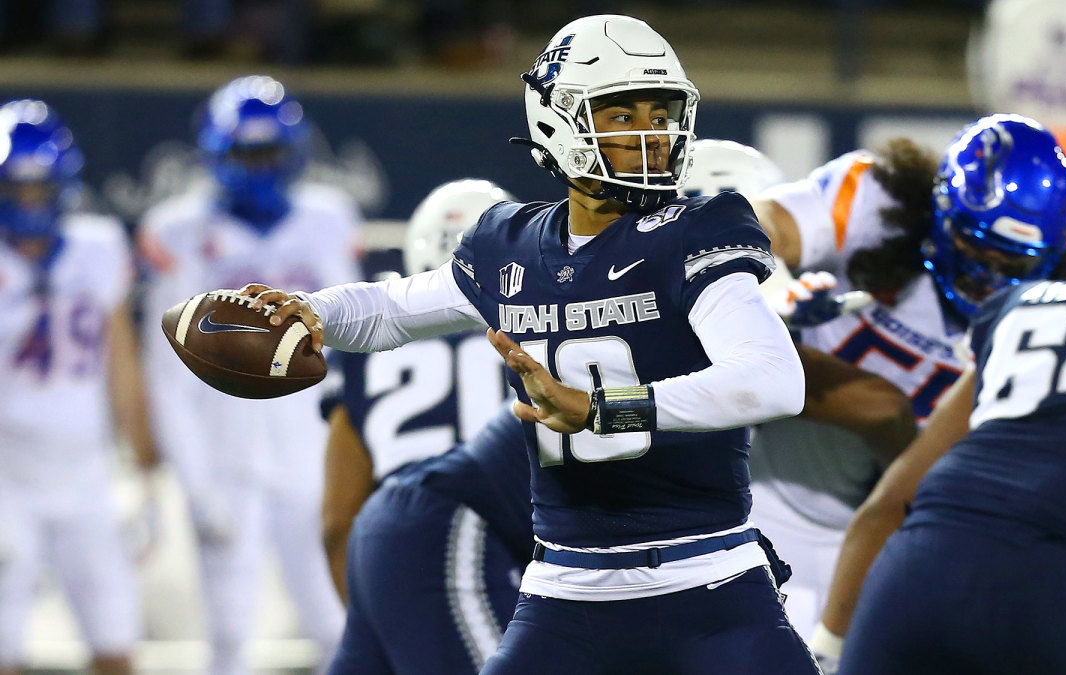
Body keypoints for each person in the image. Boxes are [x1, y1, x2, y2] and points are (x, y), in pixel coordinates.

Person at [246, 14, 818, 674]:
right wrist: (313, 312)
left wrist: (603, 410)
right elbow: (393, 309)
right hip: (565, 596)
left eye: (660, 114)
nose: (653, 134)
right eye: (622, 113)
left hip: (709, 584)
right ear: (559, 120)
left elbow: (775, 379)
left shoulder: (695, 231)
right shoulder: (507, 245)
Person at [837, 160, 1066, 674]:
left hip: (913, 568)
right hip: (1058, 571)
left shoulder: (1018, 305)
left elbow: (892, 501)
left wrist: (828, 645)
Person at [747, 114, 1066, 641]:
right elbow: (756, 222)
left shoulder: (1058, 322)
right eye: (977, 252)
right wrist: (774, 289)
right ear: (940, 215)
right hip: (762, 490)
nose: (991, 279)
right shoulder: (877, 204)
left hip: (896, 539)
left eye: (1014, 265)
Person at [139, 75, 357, 675]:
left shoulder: (328, 218)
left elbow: (355, 349)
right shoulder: (180, 230)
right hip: (225, 456)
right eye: (246, 154)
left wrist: (351, 456)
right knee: (231, 636)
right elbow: (165, 373)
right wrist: (194, 482)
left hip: (311, 451)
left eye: (270, 153)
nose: (260, 168)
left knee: (336, 626)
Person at [321, 179, 523, 673]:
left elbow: (337, 521)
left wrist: (393, 609)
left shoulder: (365, 345)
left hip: (381, 542)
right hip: (471, 535)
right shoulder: (535, 328)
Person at [0, 100, 158, 675]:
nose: (29, 201)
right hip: (6, 475)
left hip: (86, 473)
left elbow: (121, 359)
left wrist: (146, 466)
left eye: (39, 188)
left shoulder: (98, 245)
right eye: (17, 188)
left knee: (115, 642)